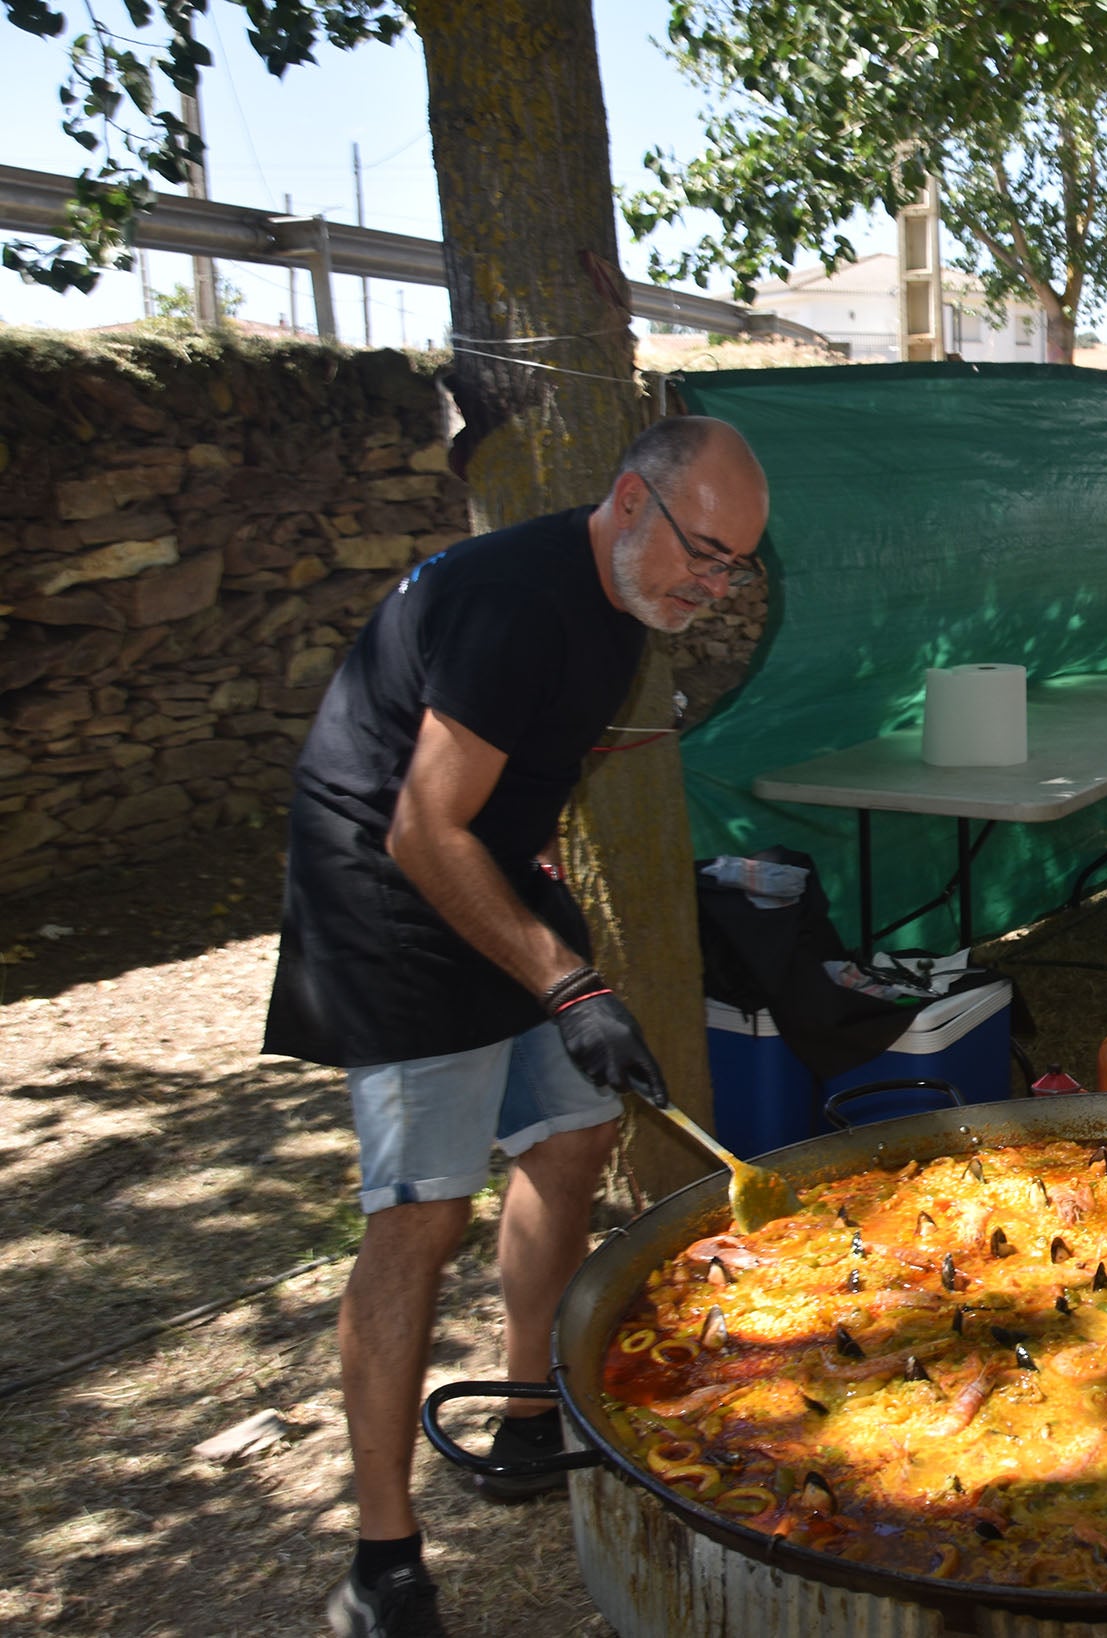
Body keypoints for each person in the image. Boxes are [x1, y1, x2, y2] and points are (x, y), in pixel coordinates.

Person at [263, 417, 771, 1637]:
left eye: (732, 568)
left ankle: (530, 1404)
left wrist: (536, 846)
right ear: (630, 500)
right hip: (383, 886)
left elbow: (512, 763)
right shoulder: (518, 604)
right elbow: (420, 828)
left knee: (575, 1134)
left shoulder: (621, 602)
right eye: (699, 553)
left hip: (482, 852)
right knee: (421, 1216)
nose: (709, 588)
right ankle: (382, 1563)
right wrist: (570, 984)